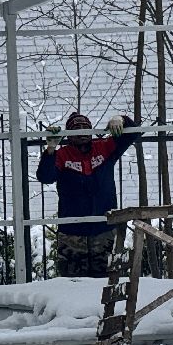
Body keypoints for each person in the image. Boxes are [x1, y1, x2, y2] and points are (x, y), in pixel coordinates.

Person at [37, 111, 140, 278]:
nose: (82, 131)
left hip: (103, 228)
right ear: (69, 134)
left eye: (85, 127)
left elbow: (133, 133)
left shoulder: (103, 147)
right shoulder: (62, 154)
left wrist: (121, 120)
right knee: (72, 282)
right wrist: (50, 149)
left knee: (105, 280)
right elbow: (45, 177)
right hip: (72, 231)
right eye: (76, 128)